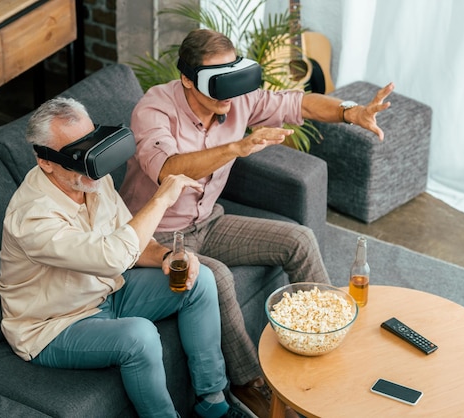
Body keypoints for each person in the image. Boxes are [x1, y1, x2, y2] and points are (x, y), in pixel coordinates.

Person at [119, 29, 395, 418]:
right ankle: (250, 384)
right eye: (217, 82)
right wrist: (236, 147)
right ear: (187, 79)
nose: (229, 94)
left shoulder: (236, 97)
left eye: (232, 76)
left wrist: (351, 111)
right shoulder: (154, 109)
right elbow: (168, 170)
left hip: (209, 223)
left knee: (297, 239)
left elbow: (299, 104)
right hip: (159, 237)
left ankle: (328, 336)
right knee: (219, 280)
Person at [0, 97, 247, 418]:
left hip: (107, 292)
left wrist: (165, 255)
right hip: (55, 325)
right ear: (45, 160)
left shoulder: (92, 181)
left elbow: (129, 239)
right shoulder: (32, 218)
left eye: (93, 145)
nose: (93, 161)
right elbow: (112, 257)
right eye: (77, 154)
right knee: (139, 337)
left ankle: (213, 403)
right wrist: (161, 200)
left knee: (200, 282)